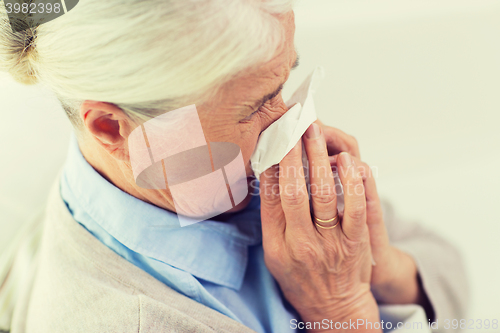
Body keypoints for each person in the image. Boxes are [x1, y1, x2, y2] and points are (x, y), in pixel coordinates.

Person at [0, 1, 467, 332]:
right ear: (111, 128)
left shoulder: (202, 174)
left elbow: (451, 273)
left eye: (285, 84)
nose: (293, 126)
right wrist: (341, 308)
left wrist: (384, 267)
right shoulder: (128, 320)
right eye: (257, 107)